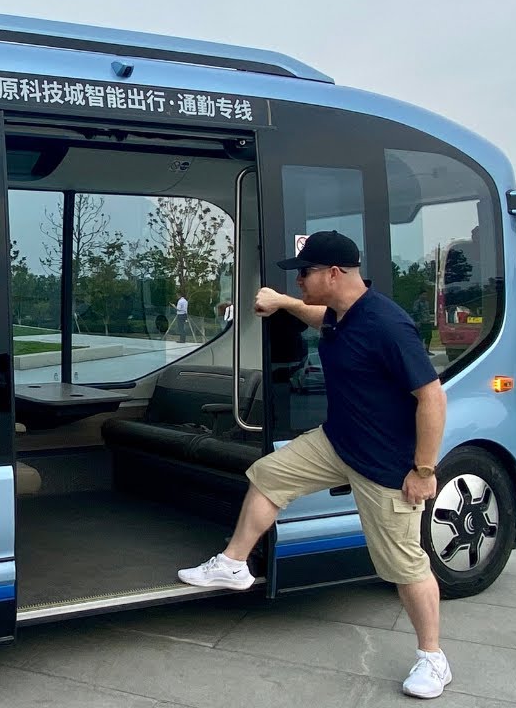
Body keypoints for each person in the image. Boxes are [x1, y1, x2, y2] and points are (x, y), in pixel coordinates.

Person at [176, 231, 452, 699]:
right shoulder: (342, 314)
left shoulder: (387, 325)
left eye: (304, 272)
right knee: (268, 474)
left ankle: (433, 658)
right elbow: (315, 313)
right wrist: (282, 301)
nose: (299, 279)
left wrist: (423, 472)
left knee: (404, 566)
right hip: (337, 442)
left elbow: (432, 397)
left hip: (384, 464)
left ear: (334, 273)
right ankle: (233, 563)